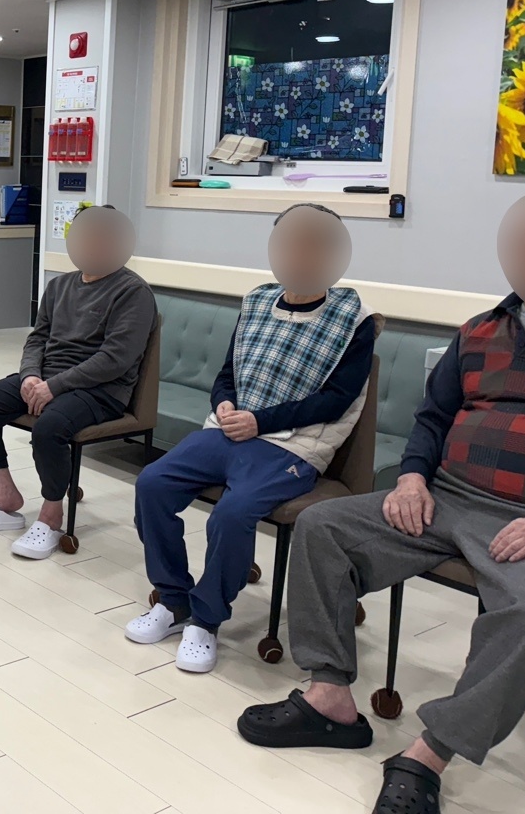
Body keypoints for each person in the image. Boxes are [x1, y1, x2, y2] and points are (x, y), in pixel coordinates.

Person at [237, 193, 525, 814]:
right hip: (447, 496)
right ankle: (329, 696)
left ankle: (430, 753)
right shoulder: (480, 330)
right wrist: (411, 479)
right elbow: (433, 419)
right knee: (323, 526)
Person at [126, 202, 379, 673]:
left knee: (233, 513)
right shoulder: (258, 302)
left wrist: (259, 423)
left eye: (313, 244)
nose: (300, 253)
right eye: (290, 243)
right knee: (152, 485)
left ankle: (207, 618)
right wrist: (224, 403)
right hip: (227, 431)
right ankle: (174, 598)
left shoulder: (355, 319)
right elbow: (229, 372)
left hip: (292, 445)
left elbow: (336, 400)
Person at [0, 205, 155, 560]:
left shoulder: (132, 292)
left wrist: (54, 386)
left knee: (50, 427)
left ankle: (51, 515)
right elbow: (38, 338)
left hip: (102, 390)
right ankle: (5, 497)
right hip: (47, 378)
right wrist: (31, 375)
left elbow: (115, 359)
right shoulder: (59, 285)